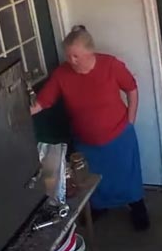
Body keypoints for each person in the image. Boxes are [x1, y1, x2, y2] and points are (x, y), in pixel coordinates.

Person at [30, 25, 150, 231]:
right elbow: (42, 102)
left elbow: (131, 89)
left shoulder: (110, 65)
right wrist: (22, 112)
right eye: (68, 56)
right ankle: (99, 208)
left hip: (119, 135)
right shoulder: (61, 74)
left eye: (75, 56)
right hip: (86, 141)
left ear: (89, 52)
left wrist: (130, 120)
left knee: (126, 175)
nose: (71, 60)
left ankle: (138, 208)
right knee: (92, 179)